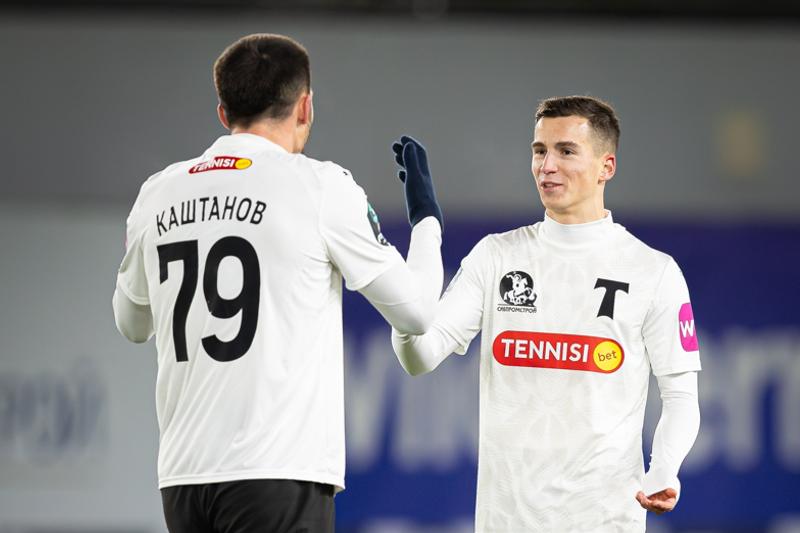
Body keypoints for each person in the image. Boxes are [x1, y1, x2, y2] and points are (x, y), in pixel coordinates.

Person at [112, 33, 444, 533]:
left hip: (183, 480)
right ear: (305, 106)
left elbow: (131, 324)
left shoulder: (157, 193)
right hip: (277, 470)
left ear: (223, 112)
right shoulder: (319, 186)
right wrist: (427, 221)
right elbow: (417, 313)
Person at [392, 96, 701, 532]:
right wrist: (425, 230)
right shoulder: (496, 257)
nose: (547, 166)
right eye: (539, 151)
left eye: (566, 151)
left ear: (606, 167)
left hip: (605, 522)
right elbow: (419, 356)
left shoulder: (653, 271)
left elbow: (681, 396)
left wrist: (665, 468)